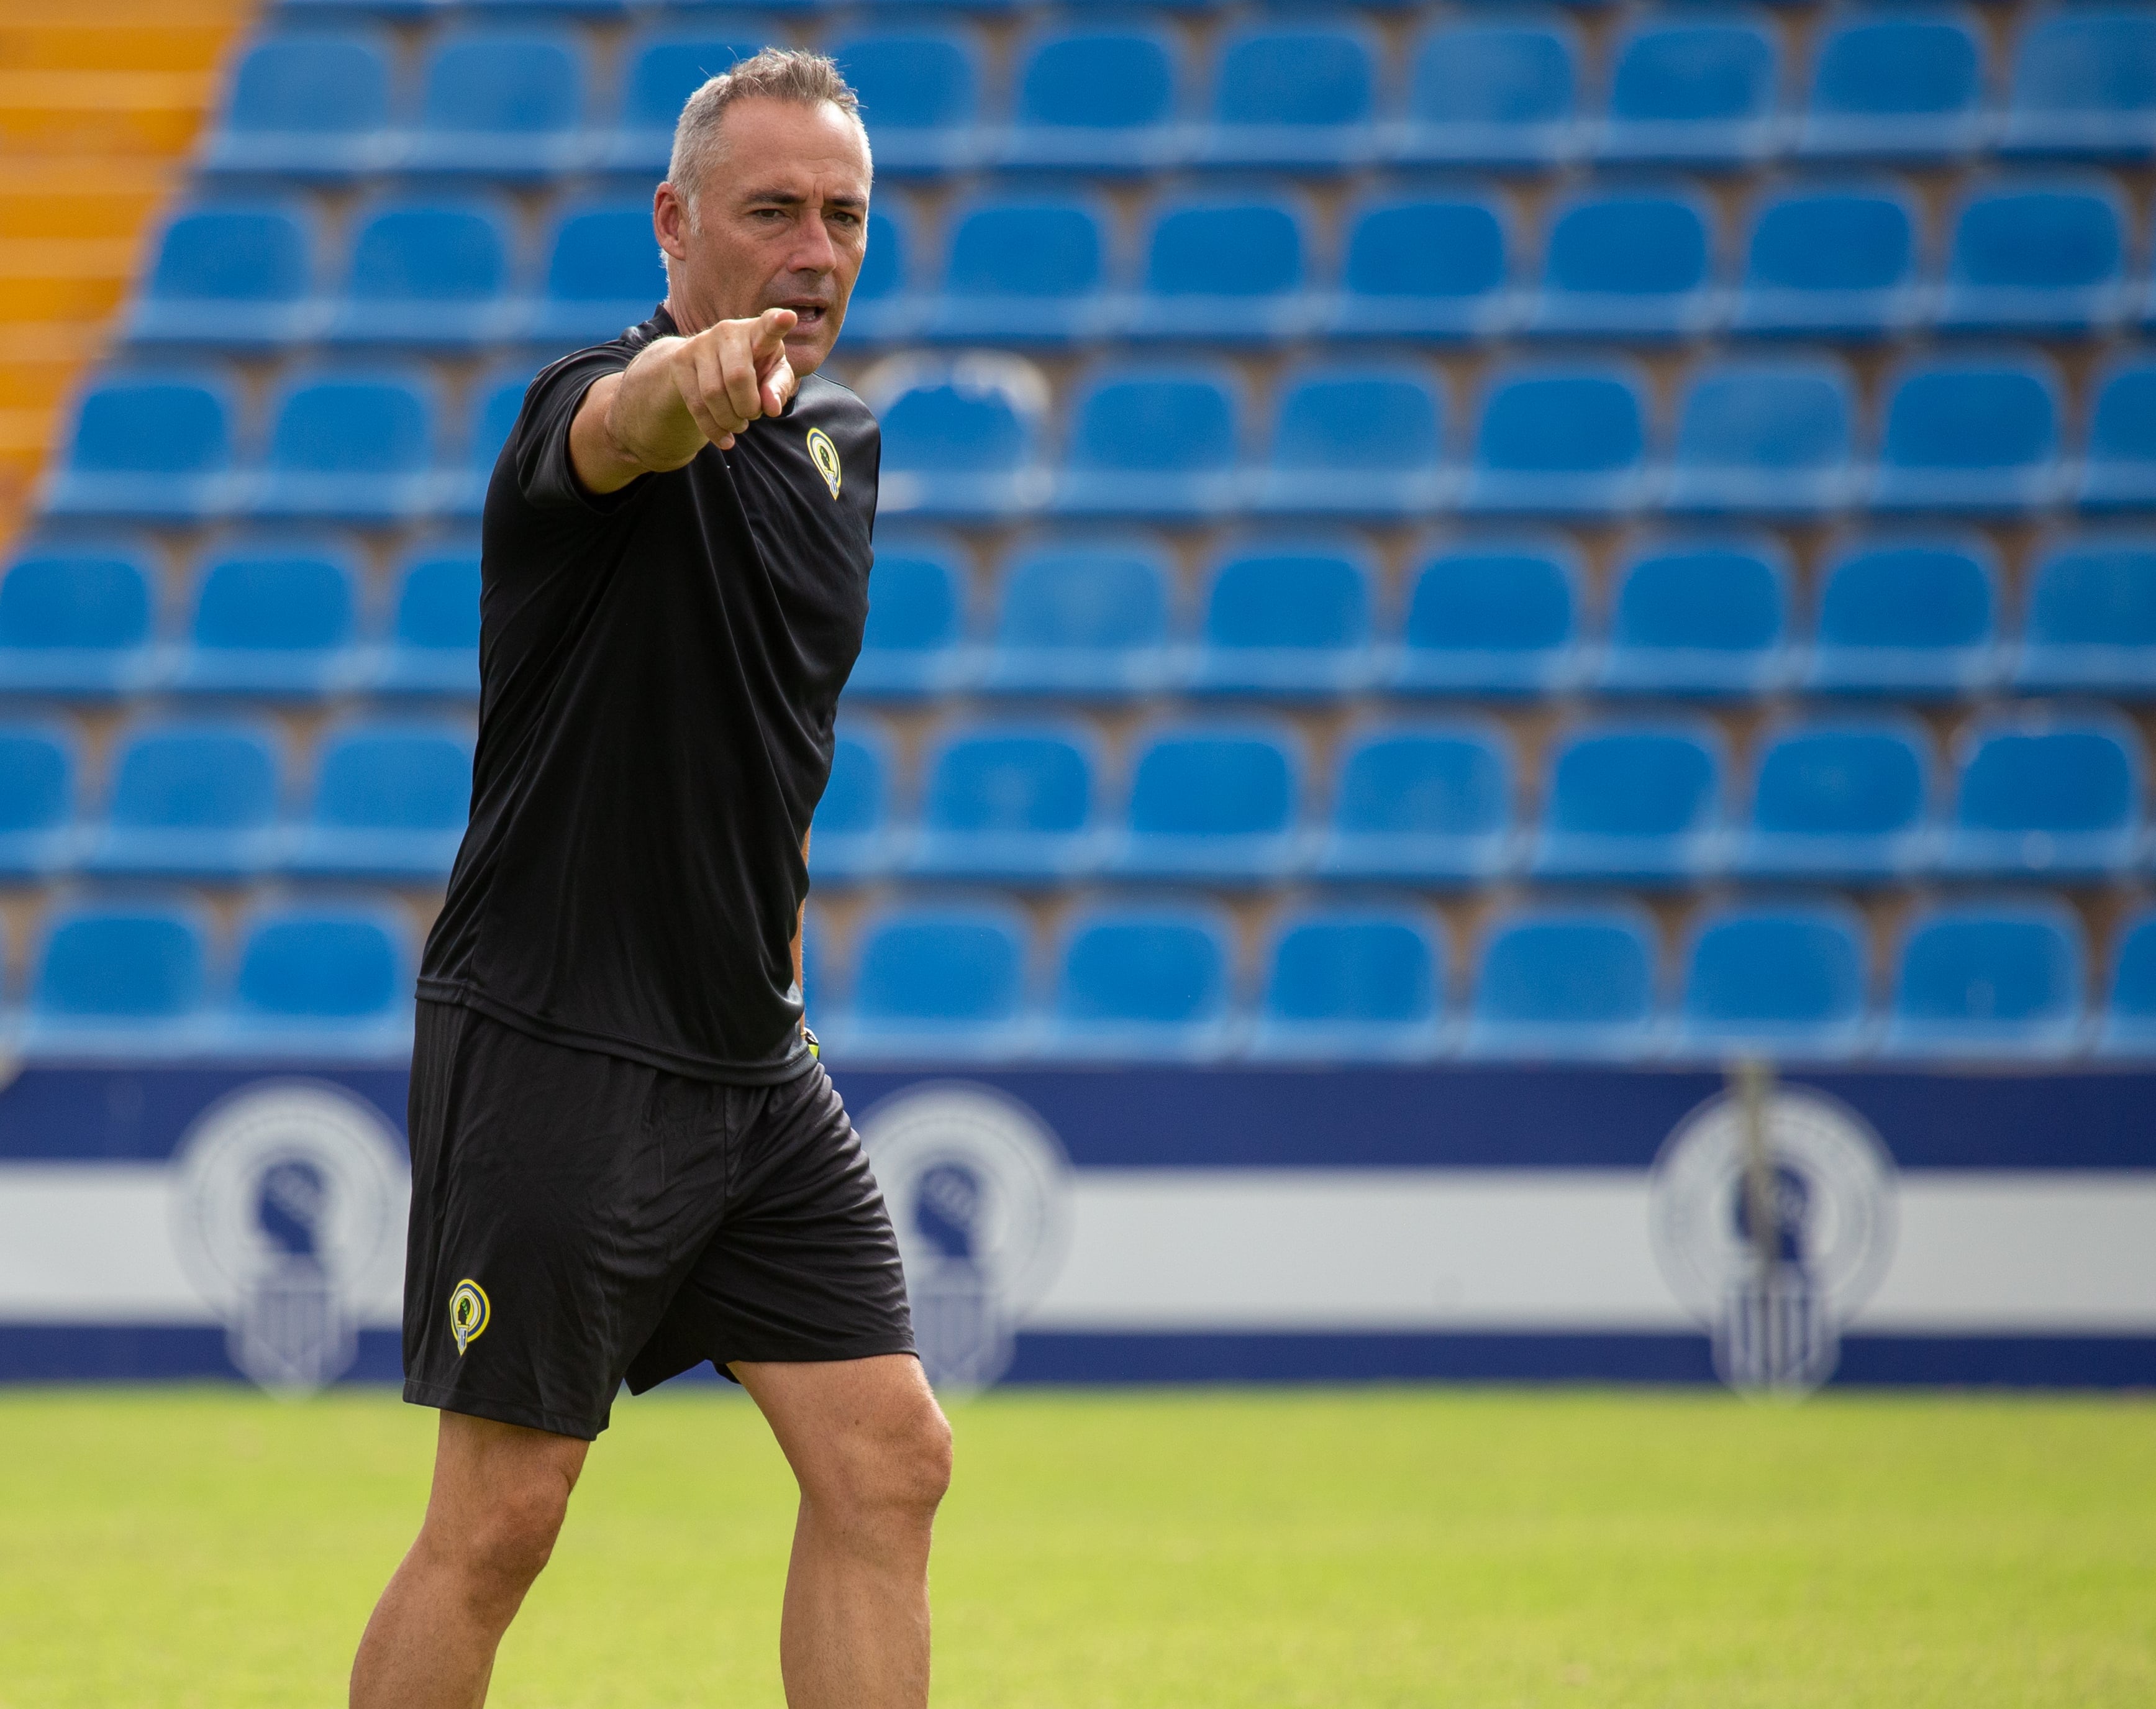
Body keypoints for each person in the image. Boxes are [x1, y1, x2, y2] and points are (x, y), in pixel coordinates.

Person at [349, 50, 950, 1709]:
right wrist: (694, 384)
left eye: (844, 215)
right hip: (556, 1046)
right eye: (772, 213)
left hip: (751, 1065)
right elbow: (630, 427)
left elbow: (763, 754)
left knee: (889, 1455)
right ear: (676, 224)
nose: (815, 249)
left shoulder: (844, 445)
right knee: (501, 1524)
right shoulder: (584, 413)